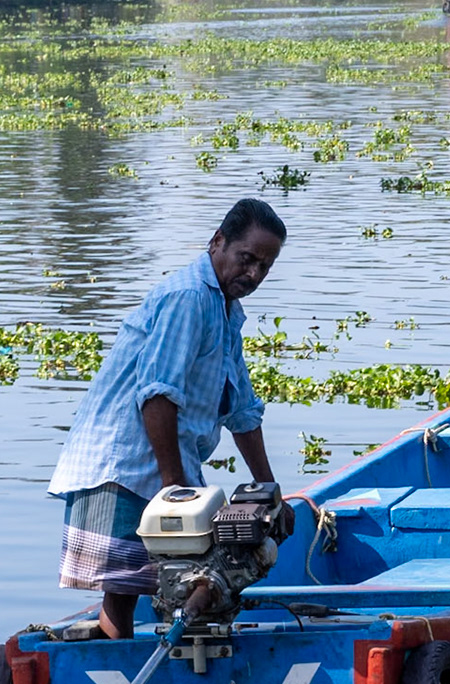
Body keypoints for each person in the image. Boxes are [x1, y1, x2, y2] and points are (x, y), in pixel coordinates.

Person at [47, 198, 285, 639]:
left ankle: (120, 647)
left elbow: (243, 410)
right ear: (218, 243)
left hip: (160, 465)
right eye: (246, 259)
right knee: (143, 586)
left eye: (264, 267)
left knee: (160, 587)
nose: (253, 274)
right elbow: (157, 394)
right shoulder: (189, 297)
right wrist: (176, 490)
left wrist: (272, 493)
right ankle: (120, 662)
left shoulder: (225, 311)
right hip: (127, 465)